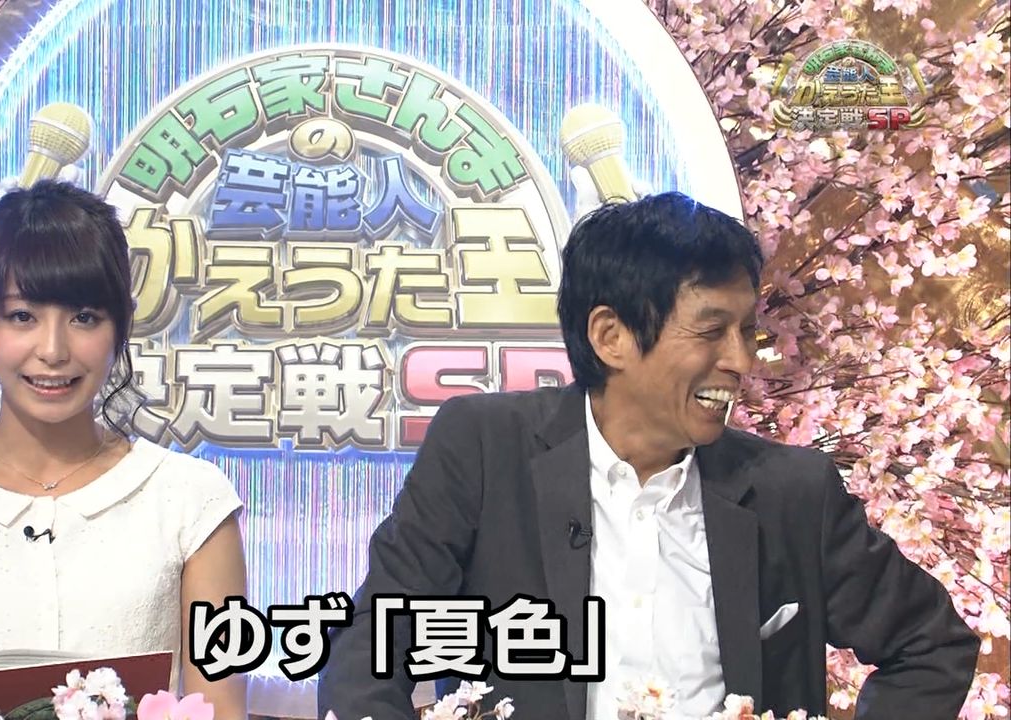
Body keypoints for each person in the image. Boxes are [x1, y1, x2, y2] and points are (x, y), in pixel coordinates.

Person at [317, 192, 978, 719]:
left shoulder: (791, 491)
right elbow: (370, 644)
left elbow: (931, 643)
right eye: (712, 331)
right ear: (611, 335)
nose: (741, 361)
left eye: (747, 331)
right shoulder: (485, 447)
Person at [0, 181, 248, 717]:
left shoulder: (192, 502)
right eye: (22, 316)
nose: (53, 351)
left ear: (121, 324)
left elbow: (219, 708)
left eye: (84, 317)